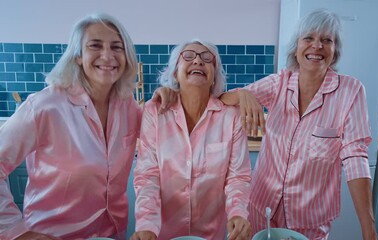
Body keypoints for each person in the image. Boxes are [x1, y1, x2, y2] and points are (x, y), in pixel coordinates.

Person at [219, 9, 378, 240]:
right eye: (309, 38)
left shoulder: (351, 92)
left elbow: (356, 158)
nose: (317, 46)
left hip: (309, 221)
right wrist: (243, 93)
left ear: (335, 51)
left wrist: (369, 229)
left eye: (327, 40)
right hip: (260, 210)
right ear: (297, 47)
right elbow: (223, 99)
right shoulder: (280, 83)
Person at [0, 13, 141, 239]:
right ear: (78, 56)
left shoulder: (127, 105)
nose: (108, 56)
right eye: (95, 46)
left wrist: (213, 98)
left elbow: (166, 126)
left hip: (112, 234)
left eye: (117, 47)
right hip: (54, 236)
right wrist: (14, 231)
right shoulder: (45, 106)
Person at [131, 39, 252, 240]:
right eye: (188, 56)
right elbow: (147, 175)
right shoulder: (155, 112)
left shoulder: (231, 117)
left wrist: (238, 213)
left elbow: (238, 177)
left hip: (211, 234)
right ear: (175, 73)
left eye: (207, 58)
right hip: (161, 233)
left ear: (214, 76)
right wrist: (146, 224)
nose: (197, 60)